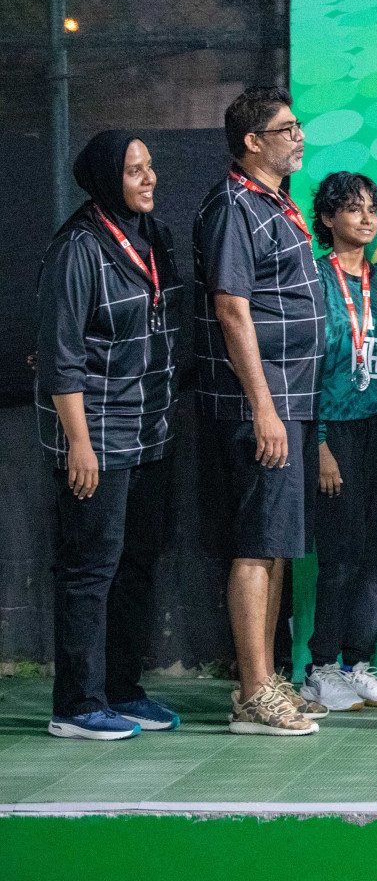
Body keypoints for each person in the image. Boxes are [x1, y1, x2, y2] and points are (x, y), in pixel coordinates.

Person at [36, 132, 184, 740]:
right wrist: (79, 444)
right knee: (91, 570)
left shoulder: (152, 239)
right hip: (95, 438)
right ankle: (76, 704)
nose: (148, 179)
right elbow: (59, 358)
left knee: (136, 566)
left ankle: (122, 690)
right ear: (105, 179)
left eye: (149, 167)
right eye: (133, 171)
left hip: (151, 432)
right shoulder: (78, 248)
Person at [195, 86, 325, 736]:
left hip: (290, 401)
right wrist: (263, 408)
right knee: (255, 546)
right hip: (261, 406)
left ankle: (267, 681)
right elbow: (231, 309)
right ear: (253, 141)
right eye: (287, 128)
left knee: (275, 548)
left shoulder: (273, 202)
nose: (299, 137)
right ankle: (252, 693)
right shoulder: (232, 207)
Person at [301, 172, 377, 712]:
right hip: (335, 431)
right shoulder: (313, 279)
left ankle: (356, 666)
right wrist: (320, 443)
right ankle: (321, 668)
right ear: (328, 219)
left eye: (373, 209)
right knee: (342, 557)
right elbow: (305, 371)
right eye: (353, 209)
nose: (368, 219)